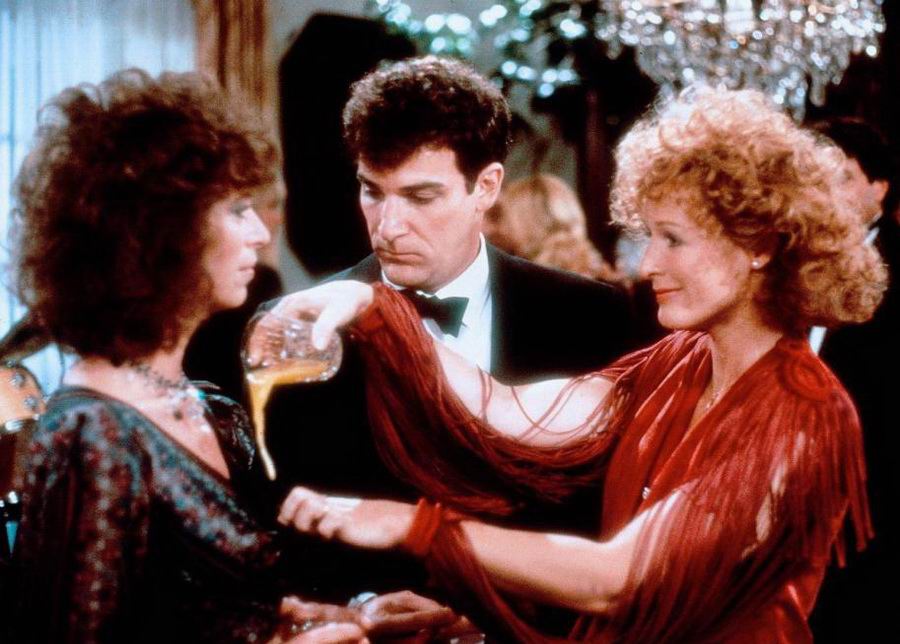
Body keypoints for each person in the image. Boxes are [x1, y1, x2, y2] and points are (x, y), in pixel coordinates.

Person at [265, 87, 885, 642]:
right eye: (649, 237)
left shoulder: (803, 409)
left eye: (673, 239)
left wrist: (416, 527)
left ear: (759, 246)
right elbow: (513, 410)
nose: (649, 265)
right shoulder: (682, 359)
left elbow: (618, 579)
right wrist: (375, 309)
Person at [2, 69, 455, 644]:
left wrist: (346, 614)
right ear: (163, 232)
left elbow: (213, 609)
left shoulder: (209, 406)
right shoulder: (92, 434)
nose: (261, 235)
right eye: (238, 210)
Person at [262, 56, 638, 599]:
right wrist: (366, 610)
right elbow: (287, 521)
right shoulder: (301, 323)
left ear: (486, 187)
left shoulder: (590, 315)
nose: (388, 227)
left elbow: (600, 524)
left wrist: (482, 616)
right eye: (372, 191)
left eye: (420, 197)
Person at [808, 118, 900, 643]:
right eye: (815, 177)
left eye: (841, 176)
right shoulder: (793, 259)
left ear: (878, 188)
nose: (826, 190)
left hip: (874, 484)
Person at [483, 173, 618, 281]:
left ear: (525, 226)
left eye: (500, 217)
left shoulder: (527, 289)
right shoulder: (608, 282)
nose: (496, 229)